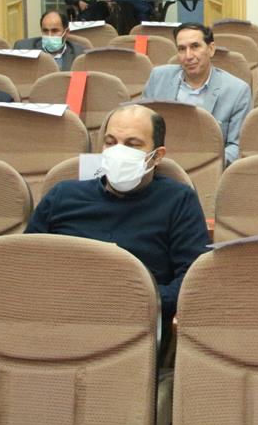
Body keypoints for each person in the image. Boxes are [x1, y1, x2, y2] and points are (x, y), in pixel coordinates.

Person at [25, 103, 208, 321]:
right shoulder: (63, 195)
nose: (118, 151)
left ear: (157, 156)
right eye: (110, 142)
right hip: (59, 314)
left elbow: (193, 277)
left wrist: (138, 301)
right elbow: (26, 260)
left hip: (135, 319)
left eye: (132, 145)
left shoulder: (178, 200)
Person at [141, 23, 251, 164]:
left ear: (211, 49)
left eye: (195, 47)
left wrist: (205, 166)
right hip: (160, 164)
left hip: (207, 168)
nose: (188, 56)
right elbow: (141, 127)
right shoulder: (158, 78)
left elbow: (236, 147)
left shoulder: (237, 91)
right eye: (182, 49)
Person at [14, 9, 83, 72]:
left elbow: (80, 80)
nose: (49, 35)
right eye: (45, 31)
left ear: (66, 32)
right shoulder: (24, 48)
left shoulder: (79, 53)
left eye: (55, 31)